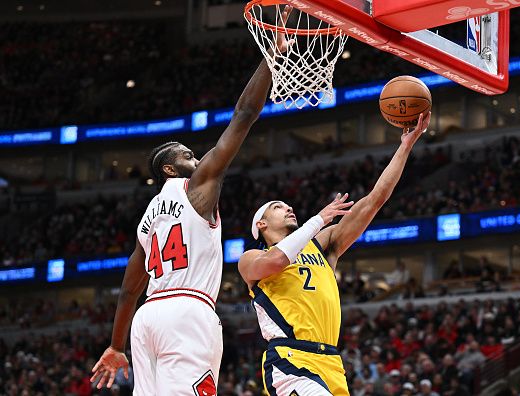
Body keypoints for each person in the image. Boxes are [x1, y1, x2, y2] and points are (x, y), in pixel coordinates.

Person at [90, 7, 295, 395]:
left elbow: (129, 291)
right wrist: (272, 58)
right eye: (186, 155)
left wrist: (117, 345)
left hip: (147, 319)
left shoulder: (147, 220)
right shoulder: (197, 186)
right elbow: (244, 114)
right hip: (188, 312)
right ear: (169, 170)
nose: (197, 158)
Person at [238, 113, 431, 395]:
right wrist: (317, 220)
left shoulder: (321, 245)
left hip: (331, 363)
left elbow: (374, 201)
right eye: (278, 206)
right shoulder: (251, 259)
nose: (288, 207)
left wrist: (406, 146)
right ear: (261, 224)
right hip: (291, 359)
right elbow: (277, 260)